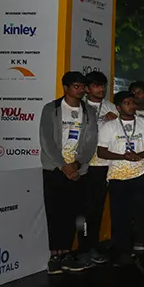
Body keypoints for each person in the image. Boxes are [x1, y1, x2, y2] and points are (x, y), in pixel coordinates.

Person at [39, 72, 99, 274]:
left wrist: (78, 164)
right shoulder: (51, 109)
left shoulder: (89, 111)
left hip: (78, 170)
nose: (80, 90)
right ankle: (55, 256)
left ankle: (67, 255)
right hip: (55, 170)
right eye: (76, 86)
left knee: (74, 214)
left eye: (82, 86)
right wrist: (63, 166)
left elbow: (91, 141)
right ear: (65, 88)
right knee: (55, 213)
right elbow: (46, 140)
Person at [97, 91, 144, 266]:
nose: (132, 106)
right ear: (118, 108)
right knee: (120, 217)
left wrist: (138, 155)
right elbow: (101, 152)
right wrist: (123, 157)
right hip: (117, 177)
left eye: (133, 102)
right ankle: (123, 252)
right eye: (127, 103)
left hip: (140, 175)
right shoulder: (109, 127)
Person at [79, 71, 118, 265]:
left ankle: (93, 247)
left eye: (103, 85)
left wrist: (116, 120)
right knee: (82, 210)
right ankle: (81, 249)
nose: (101, 89)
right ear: (86, 89)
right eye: (96, 85)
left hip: (104, 166)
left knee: (97, 210)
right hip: (82, 165)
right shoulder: (79, 107)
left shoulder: (112, 107)